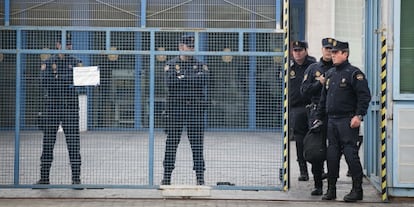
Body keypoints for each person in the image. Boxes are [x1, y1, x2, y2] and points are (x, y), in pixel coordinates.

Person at [315, 40, 371, 202]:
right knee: (331, 156)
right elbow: (323, 99)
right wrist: (318, 117)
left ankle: (357, 190)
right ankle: (331, 190)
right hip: (331, 121)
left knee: (350, 155)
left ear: (345, 54)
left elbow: (364, 96)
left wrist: (359, 115)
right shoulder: (331, 74)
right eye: (331, 53)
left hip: (347, 121)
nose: (332, 56)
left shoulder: (354, 74)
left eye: (336, 53)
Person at [161, 35, 209, 185]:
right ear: (181, 47)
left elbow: (204, 81)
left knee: (197, 144)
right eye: (189, 46)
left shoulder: (201, 64)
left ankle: (200, 178)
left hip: (195, 109)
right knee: (172, 143)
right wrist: (191, 79)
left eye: (193, 46)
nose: (191, 48)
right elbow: (171, 83)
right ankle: (167, 177)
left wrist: (182, 78)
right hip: (176, 109)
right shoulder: (171, 64)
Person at [37, 40, 83, 187]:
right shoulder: (49, 62)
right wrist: (68, 81)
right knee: (48, 143)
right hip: (52, 107)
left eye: (70, 43)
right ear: (57, 44)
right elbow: (44, 81)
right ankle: (44, 178)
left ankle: (76, 179)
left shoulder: (76, 62)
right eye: (65, 43)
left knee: (74, 144)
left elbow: (81, 81)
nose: (68, 46)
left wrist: (58, 79)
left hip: (70, 108)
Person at [300, 37, 334, 195]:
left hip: (334, 114)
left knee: (334, 150)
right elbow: (304, 91)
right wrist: (318, 83)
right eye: (326, 49)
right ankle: (318, 184)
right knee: (316, 150)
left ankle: (331, 186)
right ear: (322, 50)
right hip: (316, 113)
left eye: (332, 49)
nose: (329, 52)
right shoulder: (314, 68)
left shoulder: (340, 68)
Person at [288, 40, 316, 181]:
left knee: (315, 140)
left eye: (300, 50)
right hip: (296, 108)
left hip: (312, 107)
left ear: (306, 50)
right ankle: (303, 171)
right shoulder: (289, 67)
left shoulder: (313, 65)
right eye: (295, 50)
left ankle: (318, 170)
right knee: (299, 140)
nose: (297, 53)